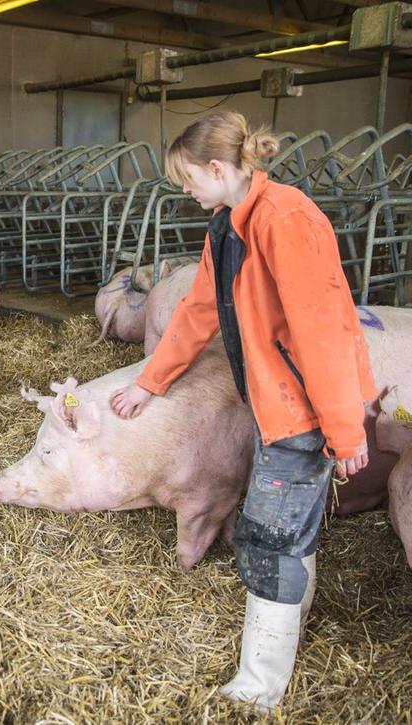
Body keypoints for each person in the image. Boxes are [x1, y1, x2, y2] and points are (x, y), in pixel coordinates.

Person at [109, 111, 377, 711]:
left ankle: (259, 688)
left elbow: (323, 330)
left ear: (217, 168)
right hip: (275, 397)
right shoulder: (228, 226)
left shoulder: (285, 220)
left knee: (266, 536)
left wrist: (344, 428)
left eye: (186, 178)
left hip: (302, 404)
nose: (184, 190)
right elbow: (199, 311)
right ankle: (291, 621)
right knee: (288, 524)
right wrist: (151, 383)